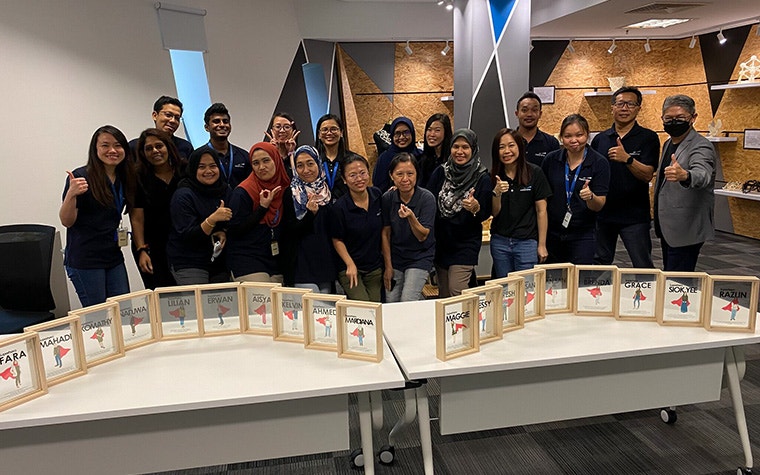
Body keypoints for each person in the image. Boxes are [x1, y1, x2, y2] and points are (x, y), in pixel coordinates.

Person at [60, 125, 136, 307]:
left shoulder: (124, 177)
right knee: (99, 318)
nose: (112, 150)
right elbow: (67, 221)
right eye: (105, 145)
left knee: (124, 310)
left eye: (118, 145)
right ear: (95, 149)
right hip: (86, 259)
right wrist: (71, 194)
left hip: (112, 255)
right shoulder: (81, 177)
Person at [590, 87, 660, 268]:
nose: (624, 108)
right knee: (599, 265)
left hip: (635, 216)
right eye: (620, 103)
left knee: (642, 265)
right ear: (612, 107)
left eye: (630, 104)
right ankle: (599, 296)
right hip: (604, 214)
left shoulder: (648, 138)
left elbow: (647, 175)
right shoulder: (600, 139)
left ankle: (646, 296)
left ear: (639, 108)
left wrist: (627, 159)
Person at [654, 94, 716, 272]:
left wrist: (686, 176)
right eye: (669, 118)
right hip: (668, 226)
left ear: (693, 118)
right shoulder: (668, 144)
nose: (674, 122)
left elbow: (703, 174)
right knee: (670, 276)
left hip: (686, 228)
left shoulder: (701, 145)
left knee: (679, 281)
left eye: (680, 118)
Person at [428, 129, 492, 297]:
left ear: (473, 149)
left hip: (465, 243)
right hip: (442, 242)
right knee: (443, 294)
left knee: (456, 289)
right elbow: (428, 199)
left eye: (465, 147)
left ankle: (470, 321)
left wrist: (476, 208)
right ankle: (449, 324)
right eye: (456, 146)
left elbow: (485, 213)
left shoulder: (482, 177)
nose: (460, 151)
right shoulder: (441, 172)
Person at [541, 114, 610, 264]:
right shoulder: (551, 160)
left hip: (583, 233)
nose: (574, 140)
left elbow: (600, 205)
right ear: (561, 137)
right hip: (553, 232)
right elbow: (543, 198)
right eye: (568, 136)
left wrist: (590, 197)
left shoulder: (599, 163)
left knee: (579, 280)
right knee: (553, 282)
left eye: (579, 135)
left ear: (587, 135)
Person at [489, 128, 552, 277]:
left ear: (519, 147)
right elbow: (494, 212)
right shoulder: (492, 176)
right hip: (500, 241)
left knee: (527, 291)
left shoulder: (534, 172)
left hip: (526, 242)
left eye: (511, 145)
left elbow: (541, 211)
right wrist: (496, 193)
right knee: (505, 291)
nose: (506, 151)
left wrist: (542, 244)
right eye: (501, 147)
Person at [166, 146, 232, 285]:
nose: (208, 171)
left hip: (218, 261)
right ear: (193, 168)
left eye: (213, 166)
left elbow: (231, 221)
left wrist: (223, 231)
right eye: (201, 167)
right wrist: (212, 219)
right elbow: (188, 236)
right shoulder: (183, 195)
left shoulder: (225, 190)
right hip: (189, 260)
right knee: (197, 304)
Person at [227, 142, 291, 283]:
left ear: (276, 160)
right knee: (263, 302)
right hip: (247, 260)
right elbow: (234, 230)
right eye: (255, 163)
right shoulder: (243, 192)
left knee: (278, 303)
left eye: (266, 160)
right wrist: (262, 208)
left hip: (274, 260)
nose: (261, 167)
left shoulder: (285, 188)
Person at [130, 128, 185, 289]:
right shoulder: (138, 177)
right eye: (149, 148)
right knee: (160, 296)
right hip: (151, 247)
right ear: (143, 153)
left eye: (159, 146)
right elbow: (137, 218)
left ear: (168, 146)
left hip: (184, 243)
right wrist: (141, 250)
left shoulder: (185, 170)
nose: (155, 151)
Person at [381, 153, 436, 302]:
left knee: (408, 299)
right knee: (391, 302)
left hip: (420, 257)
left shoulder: (427, 198)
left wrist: (411, 217)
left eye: (410, 174)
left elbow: (422, 235)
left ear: (417, 175)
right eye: (399, 174)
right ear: (392, 176)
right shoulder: (388, 198)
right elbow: (385, 234)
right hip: (396, 257)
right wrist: (388, 266)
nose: (405, 179)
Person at [281, 145, 336, 293]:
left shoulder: (328, 192)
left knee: (326, 314)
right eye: (300, 165)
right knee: (310, 310)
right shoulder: (291, 193)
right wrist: (310, 215)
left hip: (326, 263)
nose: (306, 170)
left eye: (310, 163)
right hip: (301, 264)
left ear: (318, 163)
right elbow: (290, 231)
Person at [330, 154, 383, 302]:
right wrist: (350, 264)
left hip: (374, 267)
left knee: (376, 308)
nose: (359, 179)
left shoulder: (377, 195)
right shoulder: (339, 207)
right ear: (345, 180)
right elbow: (337, 239)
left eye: (362, 173)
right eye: (352, 175)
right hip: (350, 268)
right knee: (363, 308)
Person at [202, 103, 252, 189]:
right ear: (207, 127)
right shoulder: (199, 156)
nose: (222, 125)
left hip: (240, 202)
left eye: (225, 121)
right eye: (216, 121)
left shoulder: (244, 156)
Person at [130, 96, 194, 160]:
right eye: (168, 115)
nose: (173, 121)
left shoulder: (185, 147)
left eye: (177, 118)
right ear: (155, 115)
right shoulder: (135, 146)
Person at [373, 117, 420, 193]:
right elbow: (378, 186)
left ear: (412, 134)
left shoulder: (421, 156)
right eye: (397, 133)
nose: (401, 137)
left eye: (406, 132)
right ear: (392, 136)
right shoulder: (385, 158)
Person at [514, 92, 560, 166]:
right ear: (517, 114)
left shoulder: (551, 143)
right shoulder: (509, 141)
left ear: (540, 114)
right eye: (524, 110)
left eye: (534, 110)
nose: (529, 114)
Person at [315, 114, 350, 202]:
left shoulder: (352, 159)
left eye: (334, 129)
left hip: (347, 210)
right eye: (325, 130)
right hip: (320, 211)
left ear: (341, 132)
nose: (329, 133)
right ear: (319, 134)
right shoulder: (313, 161)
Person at [418, 113, 453, 190]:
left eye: (437, 130)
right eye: (429, 130)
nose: (432, 134)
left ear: (446, 132)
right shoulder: (423, 160)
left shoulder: (451, 162)